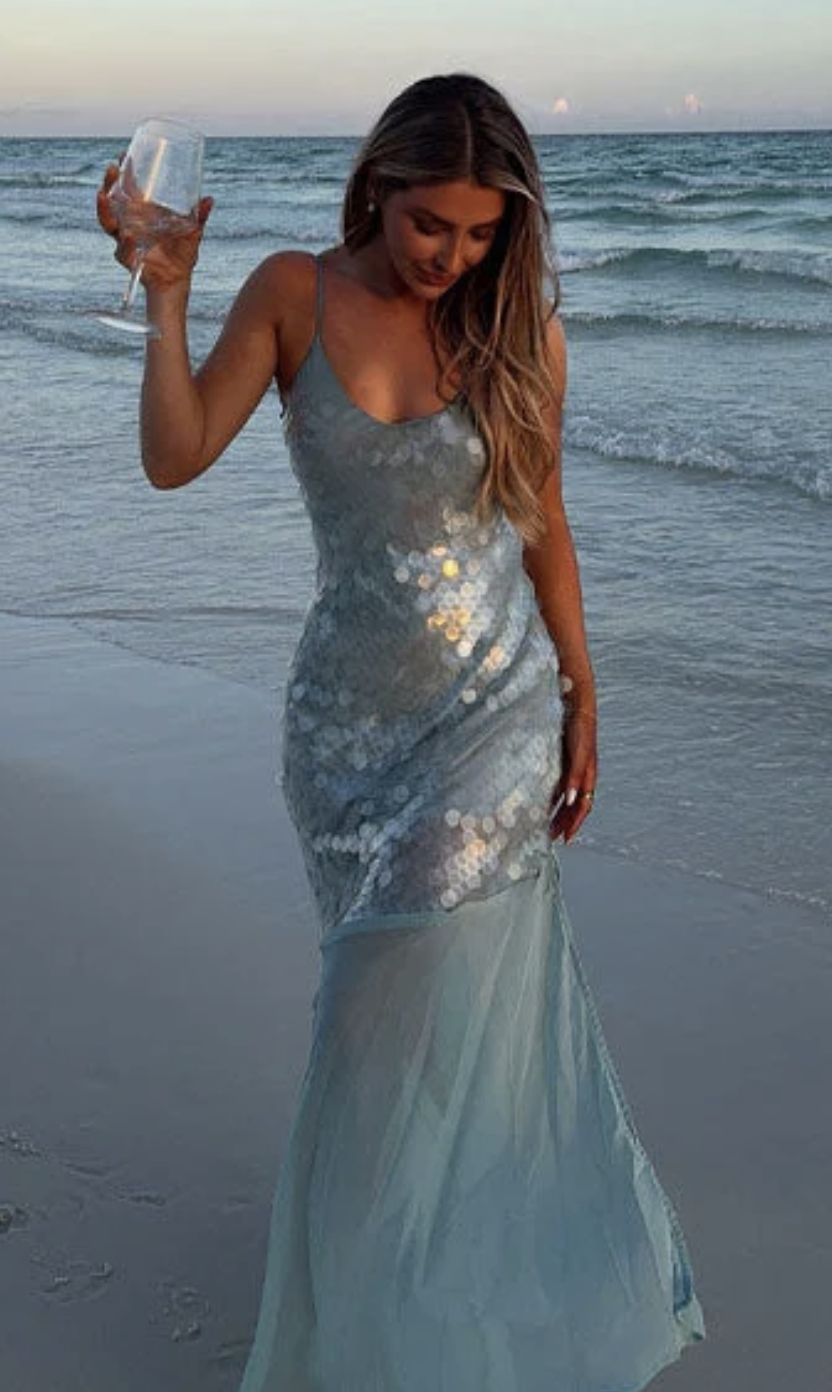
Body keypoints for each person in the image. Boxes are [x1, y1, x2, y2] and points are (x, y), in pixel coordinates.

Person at [99, 72, 705, 1392]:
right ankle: (414, 1294)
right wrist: (166, 297)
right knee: (394, 1040)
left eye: (483, 233)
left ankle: (392, 1327)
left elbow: (544, 525)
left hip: (496, 715)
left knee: (396, 1004)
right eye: (434, 223)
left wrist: (584, 694)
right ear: (379, 186)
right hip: (340, 738)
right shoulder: (292, 295)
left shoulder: (520, 336)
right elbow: (174, 454)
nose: (454, 255)